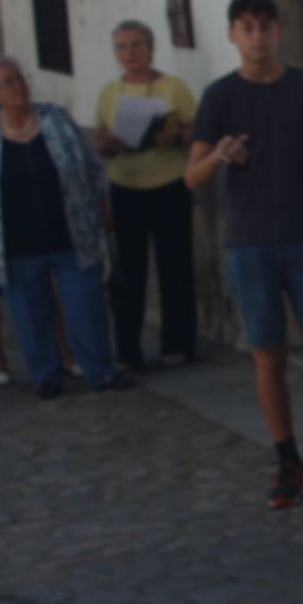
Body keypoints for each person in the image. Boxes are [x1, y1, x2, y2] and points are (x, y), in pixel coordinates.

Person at [186, 0, 303, 509]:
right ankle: (287, 458)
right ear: (233, 34)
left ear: (279, 31)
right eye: (245, 27)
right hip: (248, 241)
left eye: (264, 26)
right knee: (268, 354)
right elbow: (192, 175)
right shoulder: (220, 96)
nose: (256, 36)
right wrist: (221, 156)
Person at [0, 56, 131, 398]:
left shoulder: (55, 118)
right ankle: (47, 375)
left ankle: (99, 371)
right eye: (8, 83)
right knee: (30, 314)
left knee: (86, 306)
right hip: (18, 243)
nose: (18, 87)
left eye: (20, 79)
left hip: (72, 231)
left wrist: (101, 204)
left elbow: (88, 166)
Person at [94, 19, 199, 370]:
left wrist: (178, 136)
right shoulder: (109, 92)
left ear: (151, 49)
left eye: (137, 45)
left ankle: (178, 343)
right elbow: (100, 138)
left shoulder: (173, 87)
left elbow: (196, 128)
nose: (130, 53)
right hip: (126, 186)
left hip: (169, 183)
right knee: (129, 271)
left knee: (175, 266)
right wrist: (106, 144)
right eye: (122, 47)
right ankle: (128, 349)